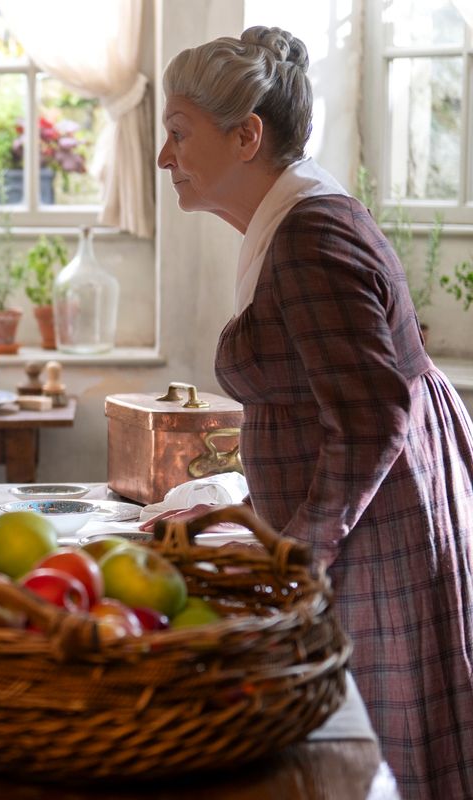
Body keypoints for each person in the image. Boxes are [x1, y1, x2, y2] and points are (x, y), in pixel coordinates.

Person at [158, 25, 473, 799]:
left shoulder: (310, 235)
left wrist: (301, 549)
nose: (164, 157)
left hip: (378, 534)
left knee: (370, 757)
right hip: (370, 519)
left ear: (247, 136)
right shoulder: (292, 223)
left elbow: (370, 416)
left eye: (176, 133)